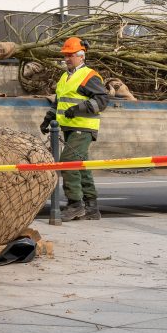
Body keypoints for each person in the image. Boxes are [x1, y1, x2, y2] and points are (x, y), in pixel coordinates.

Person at [39, 36, 108, 221]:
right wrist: (48, 119)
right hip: (69, 128)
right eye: (65, 55)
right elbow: (60, 102)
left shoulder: (89, 76)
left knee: (68, 163)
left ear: (81, 55)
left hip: (83, 128)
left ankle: (75, 205)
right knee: (81, 167)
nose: (67, 59)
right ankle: (92, 208)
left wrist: (78, 109)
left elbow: (102, 100)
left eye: (70, 55)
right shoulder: (65, 76)